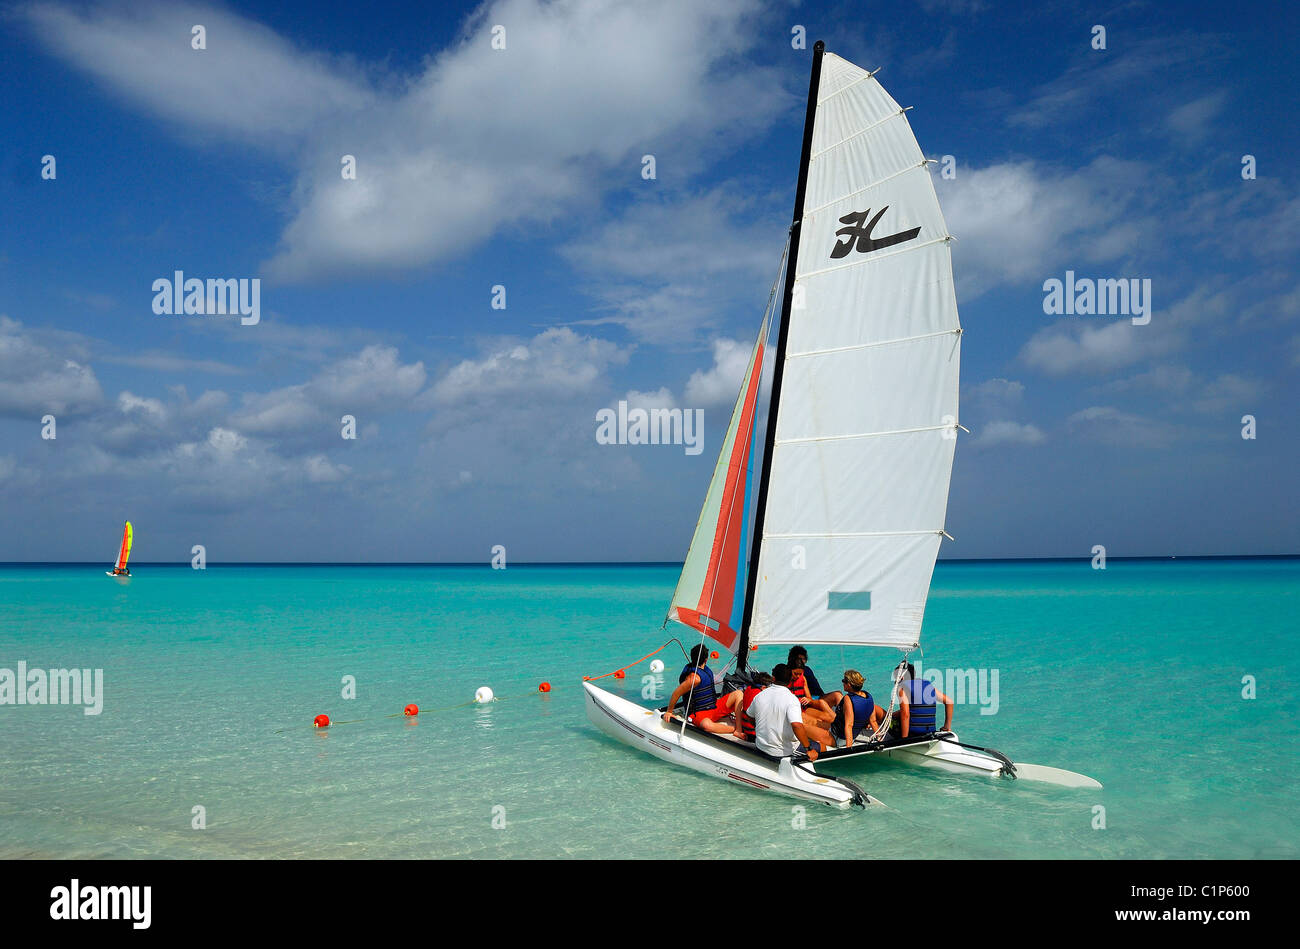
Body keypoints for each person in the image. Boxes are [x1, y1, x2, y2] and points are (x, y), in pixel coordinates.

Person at [746, 664, 835, 760]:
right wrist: (808, 749)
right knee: (822, 747)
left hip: (761, 746)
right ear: (790, 680)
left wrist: (759, 730)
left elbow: (750, 716)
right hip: (782, 752)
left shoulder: (760, 695)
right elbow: (796, 726)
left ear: (773, 678)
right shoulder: (791, 699)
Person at [663, 645, 735, 734]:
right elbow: (676, 693)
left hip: (713, 706)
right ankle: (733, 729)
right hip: (698, 713)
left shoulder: (704, 668)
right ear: (706, 659)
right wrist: (669, 712)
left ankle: (740, 727)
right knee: (706, 725)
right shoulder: (694, 679)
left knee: (738, 694)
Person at [821, 670, 884, 748]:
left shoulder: (848, 698)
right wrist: (880, 740)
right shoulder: (868, 696)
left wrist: (849, 748)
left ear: (849, 685)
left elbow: (849, 725)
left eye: (844, 681)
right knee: (817, 722)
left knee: (808, 726)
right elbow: (873, 721)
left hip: (839, 739)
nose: (842, 683)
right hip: (849, 735)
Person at [894, 662, 953, 738]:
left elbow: (905, 714)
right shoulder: (927, 686)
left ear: (901, 677)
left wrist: (904, 739)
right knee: (894, 716)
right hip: (931, 731)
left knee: (885, 721)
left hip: (913, 733)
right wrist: (946, 727)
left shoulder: (902, 688)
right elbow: (949, 702)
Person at [786, 646, 834, 726]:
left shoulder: (803, 677)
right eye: (795, 674)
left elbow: (809, 698)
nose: (798, 676)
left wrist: (808, 700)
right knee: (819, 722)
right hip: (795, 711)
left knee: (830, 718)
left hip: (805, 707)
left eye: (800, 674)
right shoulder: (785, 679)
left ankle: (842, 726)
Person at [725, 671, 773, 742]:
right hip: (753, 734)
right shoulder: (760, 696)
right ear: (763, 687)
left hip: (745, 728)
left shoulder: (749, 688)